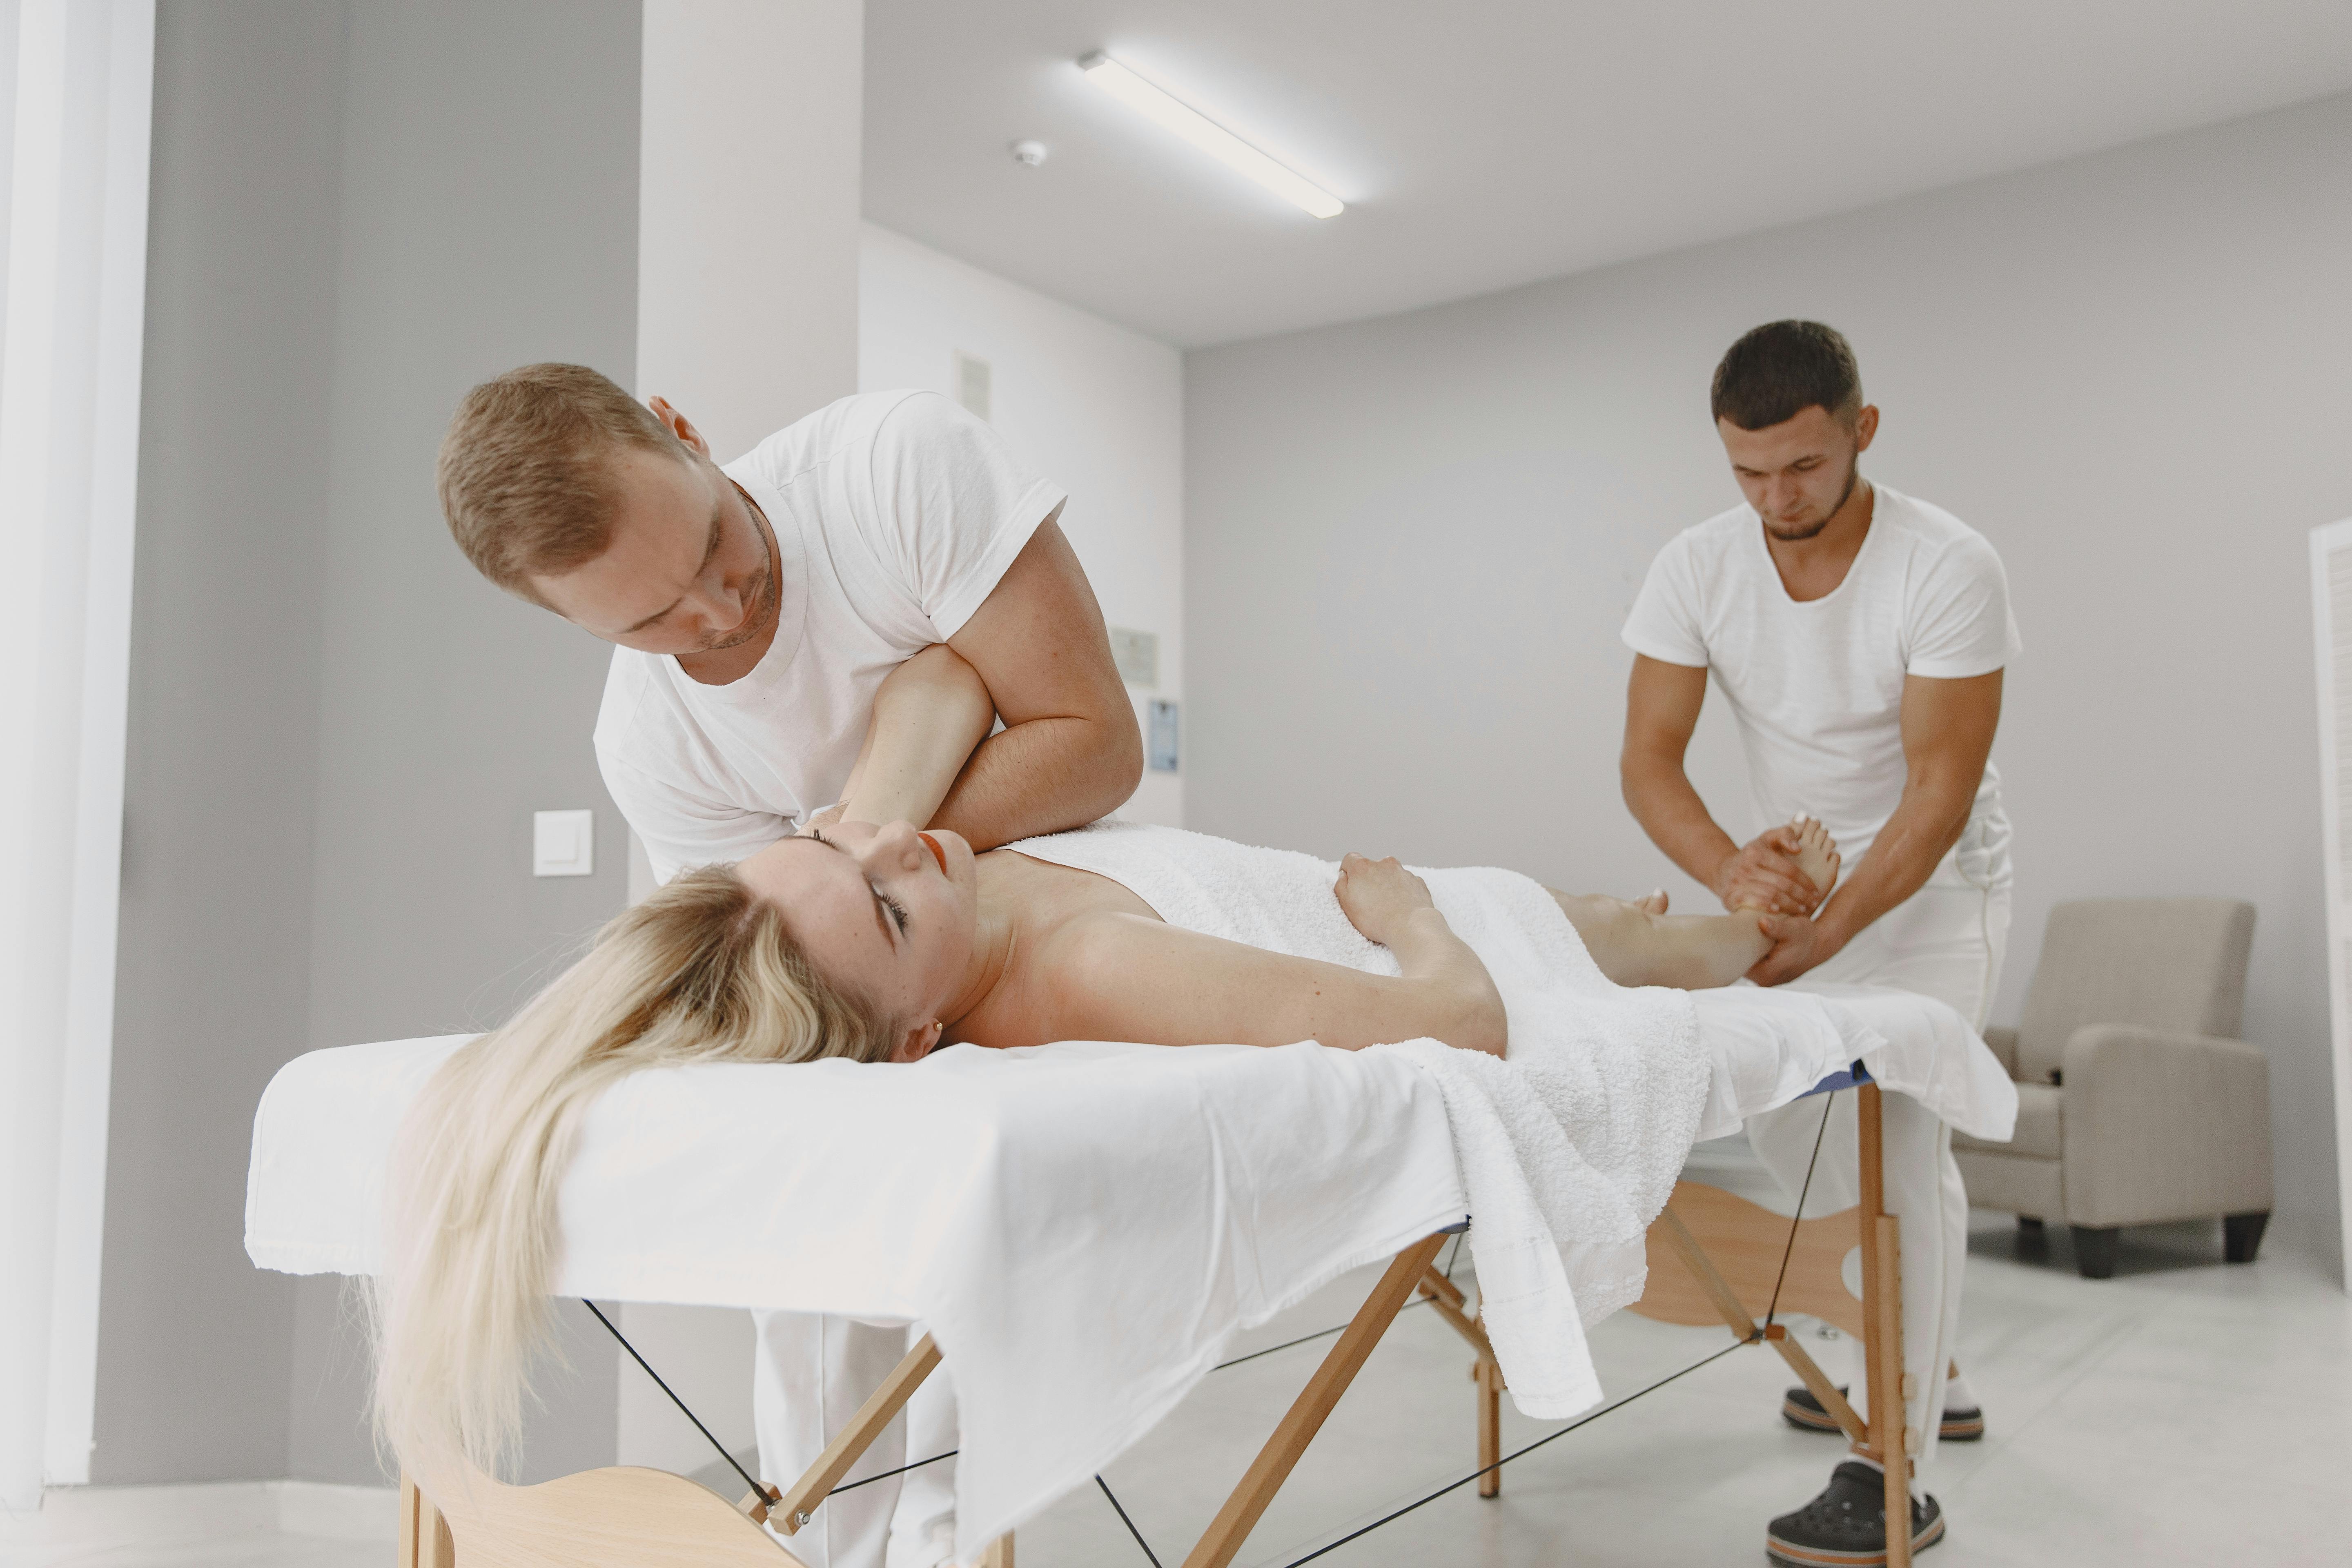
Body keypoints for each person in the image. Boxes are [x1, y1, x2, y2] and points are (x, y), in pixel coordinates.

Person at [371, 640, 1844, 1517]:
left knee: (1624, 917)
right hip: (1452, 928)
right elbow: (1460, 1029)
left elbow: (945, 676)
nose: (903, 846)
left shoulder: (904, 864)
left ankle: (1720, 913)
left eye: (832, 843)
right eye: (885, 906)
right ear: (915, 1047)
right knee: (1667, 953)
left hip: (1412, 890)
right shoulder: (1088, 979)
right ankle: (1757, 927)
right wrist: (1406, 912)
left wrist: (865, 835)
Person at [436, 364, 1142, 1567]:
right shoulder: (648, 743)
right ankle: (820, 1548)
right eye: (651, 622)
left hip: (1043, 897)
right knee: (813, 1238)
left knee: (967, 1224)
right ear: (575, 626)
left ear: (684, 431)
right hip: (860, 980)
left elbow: (1094, 747)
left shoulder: (895, 470)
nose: (717, 613)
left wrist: (853, 844)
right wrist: (897, 786)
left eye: (712, 543)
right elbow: (793, 962)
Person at [1619, 320, 2019, 1566]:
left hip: (1939, 885)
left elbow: (1939, 793)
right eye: (1748, 473)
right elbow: (1648, 762)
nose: (1775, 498)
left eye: (1801, 466)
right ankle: (1929, 1365)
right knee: (1801, 1133)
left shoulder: (1946, 563)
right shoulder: (1696, 566)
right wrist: (1735, 877)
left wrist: (1830, 932)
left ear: (1862, 431)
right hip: (1799, 886)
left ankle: (1891, 1466)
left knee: (1899, 1141)